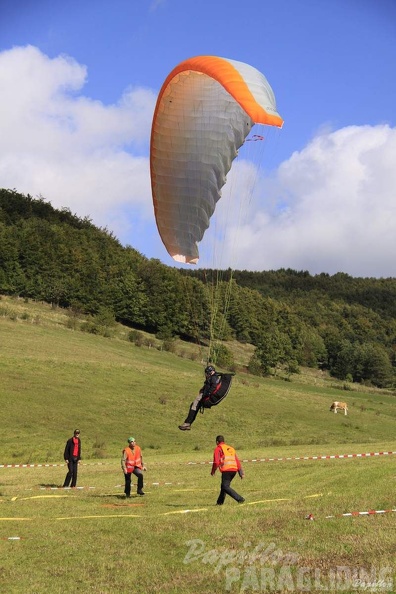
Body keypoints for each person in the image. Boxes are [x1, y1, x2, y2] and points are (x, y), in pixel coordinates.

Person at [178, 365, 223, 431]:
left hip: (205, 395)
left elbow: (213, 387)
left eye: (207, 373)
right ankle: (188, 423)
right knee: (195, 407)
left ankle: (187, 423)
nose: (206, 375)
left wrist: (206, 395)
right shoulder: (215, 377)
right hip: (206, 395)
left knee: (194, 405)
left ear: (210, 372)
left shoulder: (213, 378)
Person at [211, 435, 245, 505]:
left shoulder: (218, 448)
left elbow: (216, 462)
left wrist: (213, 471)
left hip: (227, 469)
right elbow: (237, 461)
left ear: (217, 442)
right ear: (224, 441)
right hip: (234, 470)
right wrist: (241, 473)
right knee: (224, 486)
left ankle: (240, 499)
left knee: (225, 486)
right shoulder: (230, 448)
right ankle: (219, 503)